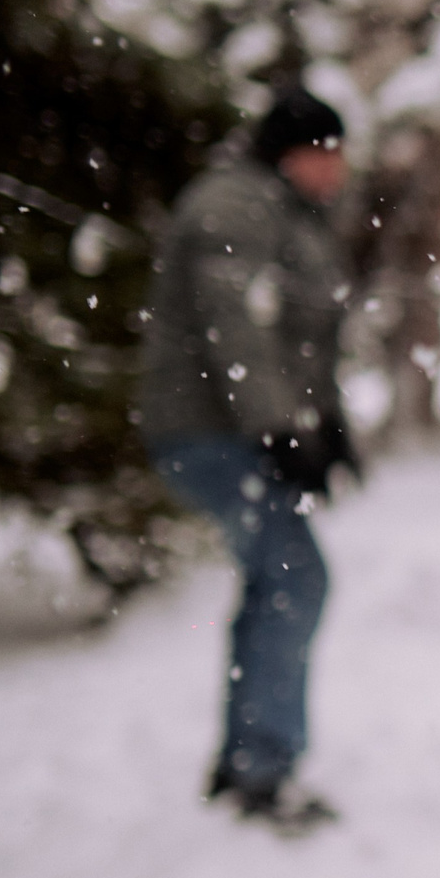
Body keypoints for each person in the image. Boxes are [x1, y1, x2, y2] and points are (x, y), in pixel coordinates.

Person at [139, 88, 360, 832]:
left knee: (278, 581)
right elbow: (238, 323)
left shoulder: (283, 212)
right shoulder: (236, 207)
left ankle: (246, 760)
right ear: (293, 154)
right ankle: (262, 769)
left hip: (232, 429)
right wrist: (278, 429)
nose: (339, 169)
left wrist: (326, 426)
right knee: (295, 579)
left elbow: (303, 334)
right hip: (208, 432)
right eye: (328, 153)